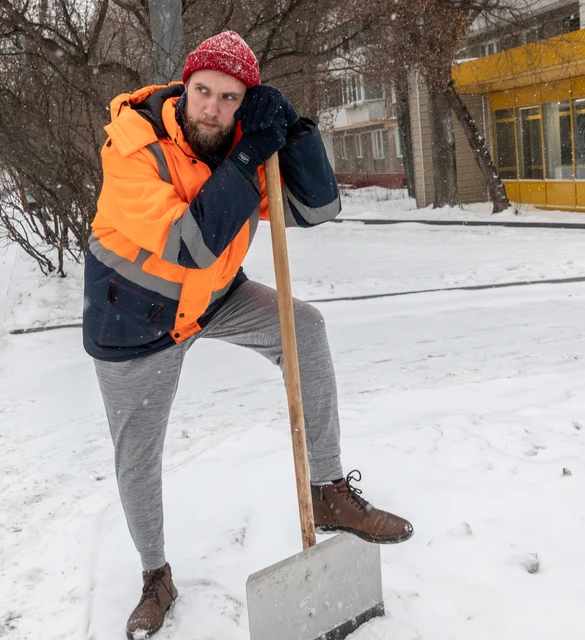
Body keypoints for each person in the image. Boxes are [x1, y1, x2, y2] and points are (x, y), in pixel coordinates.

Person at [83, 31, 414, 638]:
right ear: (185, 88)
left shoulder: (244, 141)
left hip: (211, 296)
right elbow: (193, 242)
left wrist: (292, 129)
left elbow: (318, 210)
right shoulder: (133, 147)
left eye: (229, 98)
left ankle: (328, 491)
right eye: (202, 91)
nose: (210, 107)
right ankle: (155, 575)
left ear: (244, 101)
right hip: (134, 317)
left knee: (304, 330)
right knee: (138, 456)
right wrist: (251, 149)